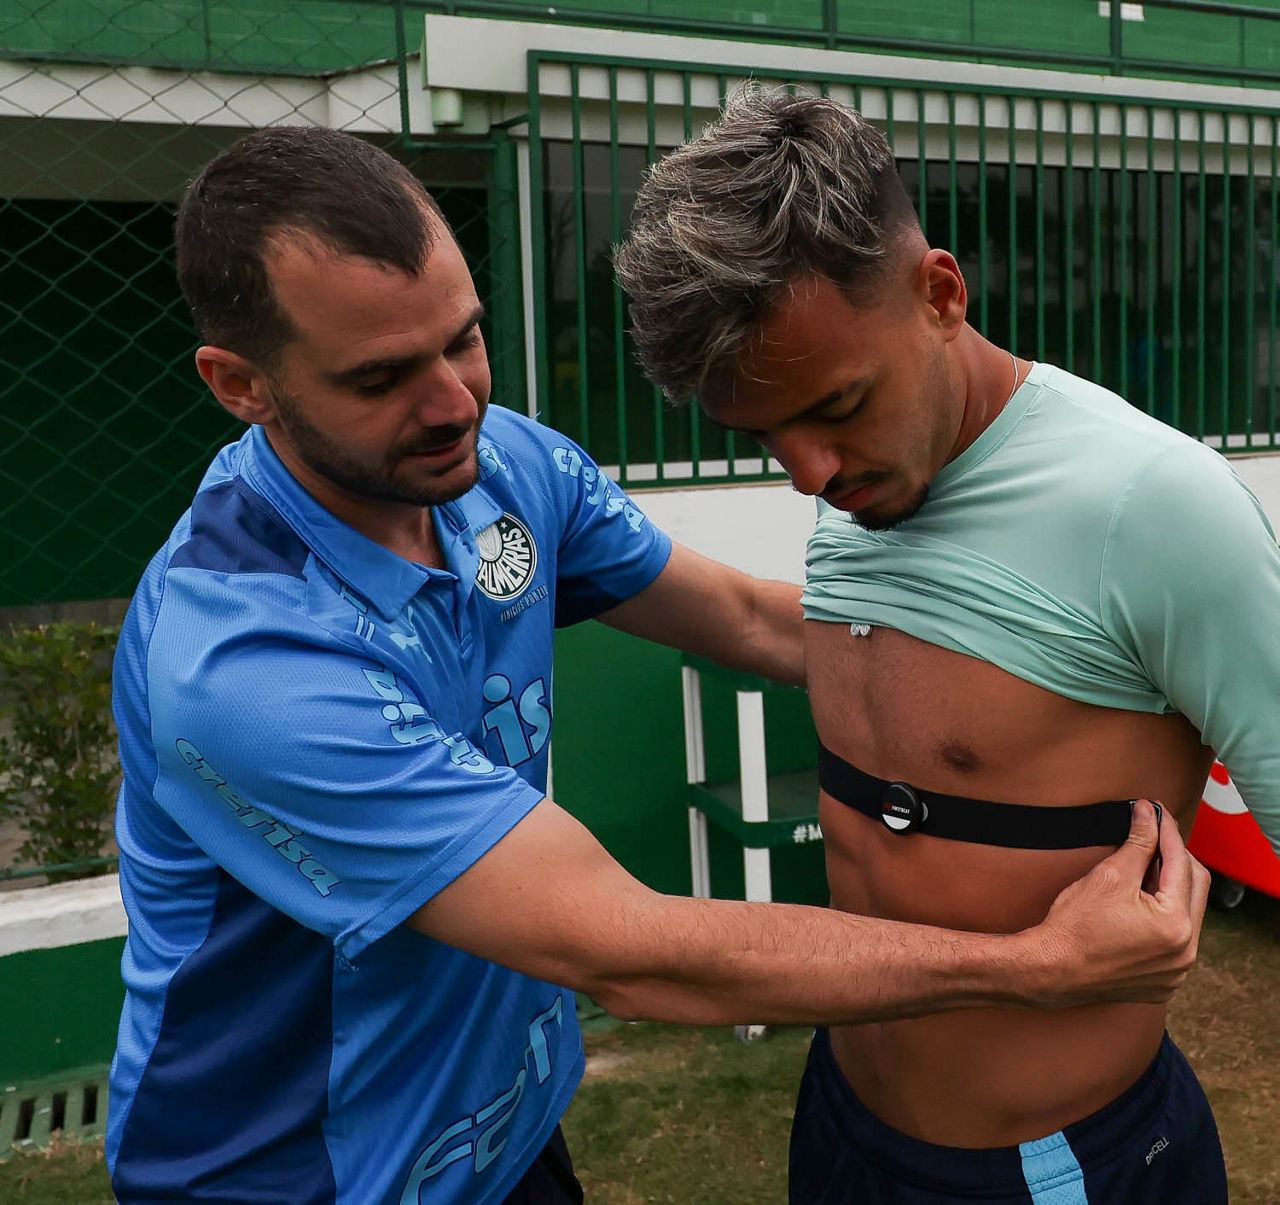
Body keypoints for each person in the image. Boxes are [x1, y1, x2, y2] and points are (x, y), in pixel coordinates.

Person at [107, 124, 1207, 1205]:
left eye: (463, 338)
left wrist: (1072, 653)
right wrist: (1039, 964)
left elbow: (750, 619)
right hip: (297, 1174)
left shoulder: (503, 468)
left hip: (499, 1137)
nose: (453, 401)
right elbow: (628, 951)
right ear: (241, 384)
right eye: (380, 376)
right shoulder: (244, 663)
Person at [615, 87, 1280, 1204]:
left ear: (939, 294)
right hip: (840, 1121)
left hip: (1049, 1163)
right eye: (764, 434)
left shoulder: (1156, 504)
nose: (807, 472)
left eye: (838, 406)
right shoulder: (867, 480)